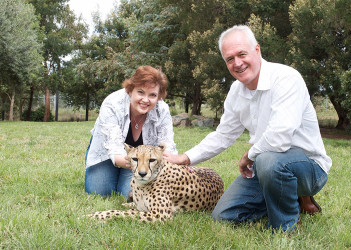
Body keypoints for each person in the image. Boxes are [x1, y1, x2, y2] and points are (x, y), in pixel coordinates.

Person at [163, 25, 332, 232]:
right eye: (230, 59)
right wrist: (185, 158)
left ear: (257, 50)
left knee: (269, 159)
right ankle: (287, 197)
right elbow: (223, 135)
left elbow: (279, 137)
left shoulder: (287, 78)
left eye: (242, 54)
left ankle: (285, 225)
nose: (237, 63)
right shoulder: (236, 91)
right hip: (265, 168)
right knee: (223, 216)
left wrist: (249, 155)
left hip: (308, 168)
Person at [85, 65, 177, 198]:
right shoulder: (112, 103)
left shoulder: (162, 109)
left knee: (130, 194)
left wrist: (173, 165)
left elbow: (167, 145)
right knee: (99, 191)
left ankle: (123, 178)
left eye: (152, 95)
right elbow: (115, 151)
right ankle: (110, 172)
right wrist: (134, 162)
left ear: (159, 97)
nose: (145, 100)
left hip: (141, 160)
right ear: (130, 90)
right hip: (108, 151)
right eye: (140, 92)